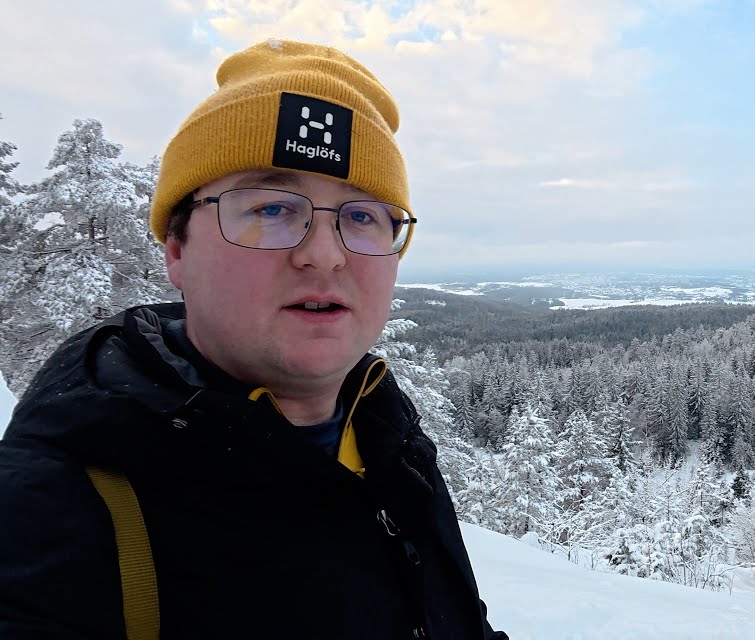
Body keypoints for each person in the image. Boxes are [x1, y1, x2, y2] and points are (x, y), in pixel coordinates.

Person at [0, 40, 507, 639]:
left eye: (364, 216)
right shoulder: (51, 516)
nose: (324, 255)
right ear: (177, 251)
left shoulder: (389, 437)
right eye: (271, 208)